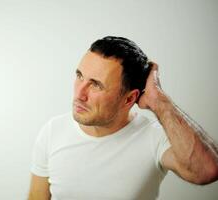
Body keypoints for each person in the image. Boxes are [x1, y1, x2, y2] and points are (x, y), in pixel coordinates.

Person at [28, 36, 218, 200]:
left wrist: (160, 101)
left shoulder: (155, 137)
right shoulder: (53, 131)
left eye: (96, 85)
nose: (79, 94)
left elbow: (207, 170)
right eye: (80, 76)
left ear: (129, 99)